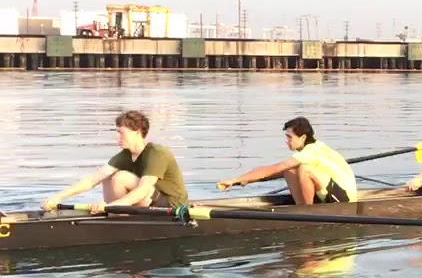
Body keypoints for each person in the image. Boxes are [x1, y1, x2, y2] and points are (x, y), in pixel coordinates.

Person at [41, 110, 189, 213]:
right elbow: (92, 180)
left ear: (137, 132)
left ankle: (116, 211)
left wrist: (109, 206)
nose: (117, 138)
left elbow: (143, 190)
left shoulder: (157, 153)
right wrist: (58, 197)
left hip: (172, 207)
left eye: (121, 133)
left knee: (120, 177)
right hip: (147, 203)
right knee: (108, 176)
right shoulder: (125, 155)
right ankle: (118, 213)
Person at [217, 117, 358, 204]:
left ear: (302, 138)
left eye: (289, 137)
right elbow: (275, 172)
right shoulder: (308, 151)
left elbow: (273, 169)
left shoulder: (312, 150)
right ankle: (302, 208)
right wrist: (247, 179)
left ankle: (307, 212)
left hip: (345, 198)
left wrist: (234, 179)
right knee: (289, 170)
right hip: (330, 192)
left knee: (304, 169)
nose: (286, 141)